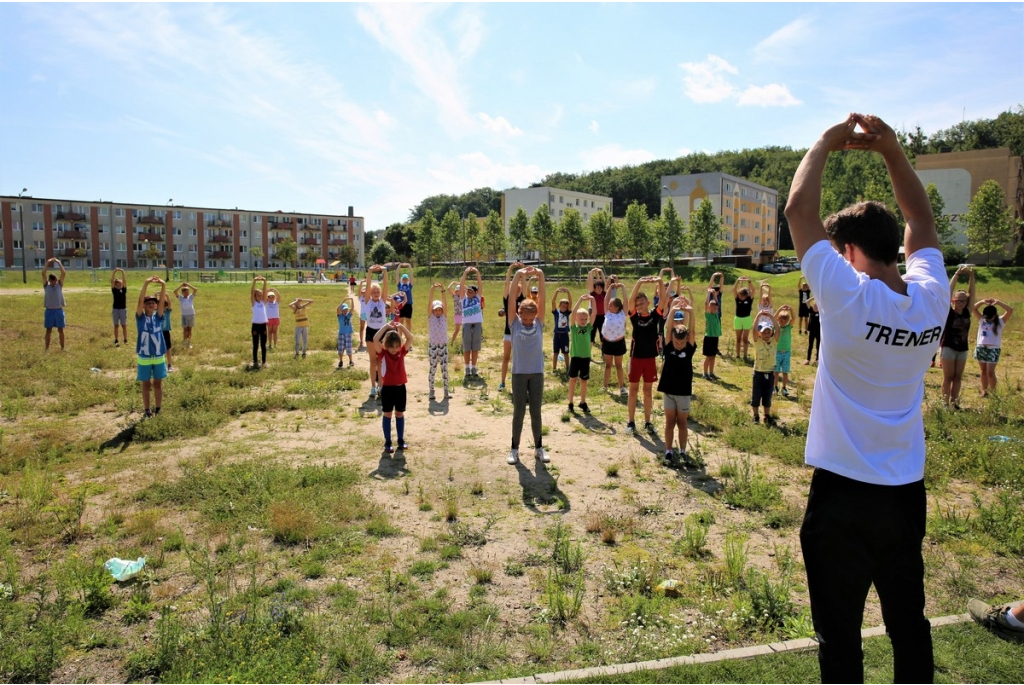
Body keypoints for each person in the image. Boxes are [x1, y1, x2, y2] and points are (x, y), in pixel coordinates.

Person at [786, 113, 948, 684]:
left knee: (841, 638)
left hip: (843, 494)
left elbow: (798, 211)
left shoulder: (847, 299)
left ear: (850, 251)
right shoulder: (931, 300)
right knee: (909, 623)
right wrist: (891, 151)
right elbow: (922, 221)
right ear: (894, 248)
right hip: (905, 491)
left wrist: (829, 138)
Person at [506, 266, 548, 465]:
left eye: (532, 318)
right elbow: (512, 296)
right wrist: (517, 276)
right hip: (519, 374)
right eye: (526, 318)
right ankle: (514, 449)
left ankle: (539, 448)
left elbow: (543, 299)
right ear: (520, 314)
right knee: (519, 412)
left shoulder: (539, 322)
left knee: (536, 412)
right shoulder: (514, 323)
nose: (529, 321)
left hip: (537, 373)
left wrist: (540, 276)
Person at [658, 298, 697, 466]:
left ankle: (682, 451)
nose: (679, 345)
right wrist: (673, 309)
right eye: (676, 342)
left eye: (681, 342)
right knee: (669, 422)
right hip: (669, 391)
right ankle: (668, 451)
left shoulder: (689, 348)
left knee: (682, 423)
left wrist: (690, 311)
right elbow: (668, 328)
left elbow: (693, 330)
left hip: (684, 393)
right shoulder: (668, 347)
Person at [626, 275, 665, 436]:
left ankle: (648, 422)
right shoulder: (635, 317)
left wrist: (660, 282)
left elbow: (663, 299)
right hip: (636, 358)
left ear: (649, 303)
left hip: (650, 359)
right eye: (637, 304)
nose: (639, 306)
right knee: (633, 390)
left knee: (648, 391)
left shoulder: (655, 315)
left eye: (642, 303)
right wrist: (640, 282)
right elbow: (629, 302)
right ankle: (631, 422)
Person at [373, 320, 412, 454]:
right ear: (386, 346)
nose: (395, 349)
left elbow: (410, 338)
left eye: (397, 346)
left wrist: (401, 326)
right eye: (392, 346)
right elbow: (375, 339)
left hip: (400, 388)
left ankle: (400, 440)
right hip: (388, 389)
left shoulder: (402, 352)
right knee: (387, 414)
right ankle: (388, 442)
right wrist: (386, 327)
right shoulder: (383, 353)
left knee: (400, 413)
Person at [939, 266, 976, 407]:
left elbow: (972, 294)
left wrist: (972, 277)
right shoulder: (948, 311)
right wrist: (957, 274)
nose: (961, 303)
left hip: (963, 348)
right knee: (948, 377)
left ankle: (955, 403)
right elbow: (947, 292)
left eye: (963, 301)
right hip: (948, 347)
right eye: (958, 300)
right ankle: (945, 404)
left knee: (958, 377)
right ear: (953, 301)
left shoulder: (967, 312)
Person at [135, 276, 168, 418]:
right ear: (143, 305)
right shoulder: (140, 318)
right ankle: (147, 410)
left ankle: (158, 408)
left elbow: (161, 302)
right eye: (147, 302)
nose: (150, 304)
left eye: (153, 303)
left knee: (158, 384)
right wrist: (146, 283)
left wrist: (163, 285)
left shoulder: (158, 316)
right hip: (144, 357)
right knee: (146, 385)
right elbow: (139, 300)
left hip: (159, 356)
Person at [972, 297, 1013, 398]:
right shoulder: (982, 320)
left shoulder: (1000, 321)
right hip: (981, 347)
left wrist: (998, 302)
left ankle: (994, 393)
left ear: (995, 315)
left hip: (993, 349)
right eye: (987, 316)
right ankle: (984, 391)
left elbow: (1010, 310)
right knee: (983, 371)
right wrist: (982, 302)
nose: (988, 318)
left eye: (990, 317)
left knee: (990, 372)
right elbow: (973, 308)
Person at [566, 294, 595, 414]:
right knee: (573, 380)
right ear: (577, 319)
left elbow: (594, 314)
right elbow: (573, 313)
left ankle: (583, 402)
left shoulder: (588, 327)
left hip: (586, 358)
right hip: (575, 357)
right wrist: (580, 299)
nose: (583, 321)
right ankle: (570, 403)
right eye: (581, 319)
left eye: (585, 319)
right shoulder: (574, 328)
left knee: (584, 381)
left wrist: (592, 300)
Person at [499, 262, 525, 392]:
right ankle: (502, 383)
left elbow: (524, 284)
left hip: (520, 333)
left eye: (519, 290)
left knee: (518, 359)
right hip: (508, 333)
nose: (517, 291)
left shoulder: (523, 300)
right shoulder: (507, 299)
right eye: (515, 289)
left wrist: (523, 270)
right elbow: (506, 284)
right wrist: (510, 269)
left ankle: (518, 384)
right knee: (506, 358)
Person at [363, 265, 389, 398]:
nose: (376, 294)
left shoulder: (383, 301)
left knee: (381, 360)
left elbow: (385, 285)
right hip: (371, 332)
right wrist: (370, 272)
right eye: (374, 292)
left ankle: (381, 386)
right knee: (373, 361)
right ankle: (373, 387)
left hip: (382, 332)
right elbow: (368, 286)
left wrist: (384, 271)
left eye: (377, 292)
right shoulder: (368, 302)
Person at [750, 310, 780, 424]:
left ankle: (767, 415)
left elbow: (778, 329)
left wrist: (771, 317)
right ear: (759, 333)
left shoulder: (774, 342)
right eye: (764, 332)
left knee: (767, 396)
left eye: (769, 332)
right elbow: (753, 329)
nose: (767, 334)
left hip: (770, 373)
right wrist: (758, 316)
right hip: (759, 372)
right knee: (756, 396)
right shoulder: (758, 342)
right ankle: (756, 415)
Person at [602, 276, 628, 396]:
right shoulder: (607, 313)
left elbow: (626, 300)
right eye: (609, 305)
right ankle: (605, 386)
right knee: (607, 366)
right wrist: (610, 287)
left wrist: (622, 287)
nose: (609, 306)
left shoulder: (623, 314)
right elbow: (605, 300)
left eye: (611, 305)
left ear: (617, 307)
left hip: (618, 343)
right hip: (607, 342)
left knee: (618, 366)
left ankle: (622, 387)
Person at [426, 284, 452, 401]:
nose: (437, 311)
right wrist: (431, 289)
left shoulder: (444, 317)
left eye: (439, 309)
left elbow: (445, 304)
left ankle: (446, 391)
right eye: (435, 310)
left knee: (445, 368)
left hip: (443, 346)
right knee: (433, 368)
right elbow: (429, 303)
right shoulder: (430, 317)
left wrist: (442, 291)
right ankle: (431, 391)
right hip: (433, 346)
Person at [459, 266, 485, 379]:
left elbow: (480, 284)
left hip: (477, 325)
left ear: (475, 292)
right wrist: (465, 273)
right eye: (467, 290)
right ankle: (467, 368)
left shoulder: (478, 298)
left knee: (475, 348)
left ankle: (474, 367)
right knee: (466, 348)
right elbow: (461, 285)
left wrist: (477, 272)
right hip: (467, 325)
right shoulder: (463, 299)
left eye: (471, 291)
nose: (468, 292)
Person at [42, 258, 67, 351]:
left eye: (55, 281)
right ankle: (47, 348)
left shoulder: (59, 285)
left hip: (58, 310)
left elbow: (63, 273)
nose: (54, 283)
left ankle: (62, 348)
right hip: (49, 311)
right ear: (49, 280)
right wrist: (48, 262)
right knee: (48, 330)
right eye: (53, 281)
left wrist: (58, 262)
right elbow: (43, 273)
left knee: (61, 330)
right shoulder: (46, 286)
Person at [774, 305, 795, 396]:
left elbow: (794, 318)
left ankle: (784, 388)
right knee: (776, 372)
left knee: (785, 372)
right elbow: (774, 317)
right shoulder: (776, 327)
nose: (782, 322)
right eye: (781, 320)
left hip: (786, 353)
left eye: (784, 321)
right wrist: (780, 308)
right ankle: (775, 387)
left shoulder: (788, 327)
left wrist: (790, 309)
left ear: (787, 321)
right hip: (777, 352)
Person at [702, 288, 722, 381]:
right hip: (709, 338)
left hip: (715, 337)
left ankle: (711, 373)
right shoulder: (708, 315)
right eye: (714, 308)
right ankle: (705, 373)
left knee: (713, 356)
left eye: (717, 308)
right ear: (710, 308)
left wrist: (714, 295)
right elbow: (706, 304)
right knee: (708, 356)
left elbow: (717, 303)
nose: (716, 309)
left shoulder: (716, 314)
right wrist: (708, 293)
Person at [550, 286, 572, 372]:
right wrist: (556, 292)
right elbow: (553, 301)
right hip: (557, 335)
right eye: (562, 306)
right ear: (559, 306)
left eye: (565, 307)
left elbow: (570, 302)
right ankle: (554, 368)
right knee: (555, 352)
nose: (564, 308)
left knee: (566, 353)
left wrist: (568, 292)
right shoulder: (556, 312)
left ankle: (567, 368)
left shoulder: (567, 313)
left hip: (564, 336)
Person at [250, 276, 270, 369]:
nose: (260, 296)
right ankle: (255, 361)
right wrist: (254, 281)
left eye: (261, 295)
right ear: (255, 296)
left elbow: (265, 291)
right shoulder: (254, 303)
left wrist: (264, 281)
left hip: (263, 326)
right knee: (255, 344)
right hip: (255, 326)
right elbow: (251, 291)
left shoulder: (263, 302)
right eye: (258, 295)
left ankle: (264, 361)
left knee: (263, 344)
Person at [733, 276, 754, 360]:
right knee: (738, 339)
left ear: (746, 295)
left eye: (743, 296)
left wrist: (749, 281)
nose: (741, 297)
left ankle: (745, 356)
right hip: (738, 319)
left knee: (745, 339)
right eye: (740, 295)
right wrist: (737, 281)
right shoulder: (737, 299)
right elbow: (734, 290)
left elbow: (754, 290)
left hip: (746, 319)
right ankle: (737, 355)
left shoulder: (749, 299)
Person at [174, 281, 198, 349]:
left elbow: (195, 289)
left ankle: (189, 342)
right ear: (182, 293)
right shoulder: (181, 298)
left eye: (187, 291)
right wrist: (181, 285)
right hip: (184, 316)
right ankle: (185, 342)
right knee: (185, 329)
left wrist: (188, 285)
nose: (186, 292)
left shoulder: (190, 297)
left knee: (189, 329)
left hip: (191, 315)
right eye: (184, 291)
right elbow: (175, 291)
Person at [587, 268, 607, 345]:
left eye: (600, 287)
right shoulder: (593, 294)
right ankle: (588, 354)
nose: (599, 289)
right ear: (594, 289)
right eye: (597, 287)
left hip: (602, 316)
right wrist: (591, 272)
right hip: (594, 316)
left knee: (602, 336)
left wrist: (601, 271)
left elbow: (604, 282)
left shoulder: (604, 294)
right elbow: (591, 282)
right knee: (592, 335)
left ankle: (603, 353)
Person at [111, 268, 128, 346]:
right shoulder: (114, 290)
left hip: (122, 309)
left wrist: (122, 271)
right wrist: (114, 272)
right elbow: (111, 281)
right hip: (115, 309)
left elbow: (124, 280)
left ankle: (125, 339)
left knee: (124, 325)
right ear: (115, 284)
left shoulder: (123, 289)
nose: (118, 284)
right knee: (116, 325)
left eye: (119, 283)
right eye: (116, 283)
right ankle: (116, 339)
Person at [336, 297, 355, 369]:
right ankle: (341, 361)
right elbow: (337, 309)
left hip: (348, 334)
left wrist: (352, 300)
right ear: (341, 310)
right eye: (344, 309)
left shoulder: (348, 315)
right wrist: (343, 300)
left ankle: (351, 361)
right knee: (340, 348)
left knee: (349, 348)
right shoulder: (340, 316)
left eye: (346, 309)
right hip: (341, 334)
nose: (346, 310)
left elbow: (352, 308)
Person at [396, 265, 414, 332]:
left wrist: (409, 266)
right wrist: (399, 266)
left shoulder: (409, 285)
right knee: (400, 321)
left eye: (406, 279)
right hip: (401, 305)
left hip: (408, 304)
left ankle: (408, 335)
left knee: (408, 320)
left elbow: (412, 275)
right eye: (403, 279)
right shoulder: (399, 285)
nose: (405, 280)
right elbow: (397, 274)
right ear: (401, 279)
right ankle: (400, 337)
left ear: (408, 280)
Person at [804, 296, 821, 365]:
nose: (815, 307)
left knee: (818, 346)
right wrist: (814, 297)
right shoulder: (811, 310)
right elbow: (806, 302)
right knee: (810, 345)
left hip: (818, 331)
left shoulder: (820, 313)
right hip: (812, 331)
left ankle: (817, 359)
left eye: (816, 306)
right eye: (814, 306)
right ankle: (808, 359)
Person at [447, 281, 464, 346]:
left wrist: (461, 284)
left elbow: (467, 289)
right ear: (456, 291)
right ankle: (452, 342)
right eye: (458, 291)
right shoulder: (455, 296)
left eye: (460, 290)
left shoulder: (464, 297)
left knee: (465, 330)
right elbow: (448, 288)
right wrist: (453, 283)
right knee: (457, 330)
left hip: (464, 315)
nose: (459, 292)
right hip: (458, 315)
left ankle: (463, 343)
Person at [161, 292, 174, 372]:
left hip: (166, 332)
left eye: (164, 306)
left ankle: (169, 365)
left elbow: (169, 303)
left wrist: (167, 295)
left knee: (168, 349)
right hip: (158, 333)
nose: (163, 307)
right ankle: (161, 365)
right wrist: (156, 295)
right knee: (159, 350)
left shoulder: (168, 312)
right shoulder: (157, 314)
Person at [357, 282, 368, 351]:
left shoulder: (370, 297)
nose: (364, 293)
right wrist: (361, 283)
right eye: (363, 292)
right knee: (362, 327)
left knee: (369, 328)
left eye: (365, 292)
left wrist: (367, 283)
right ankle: (361, 341)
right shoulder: (361, 298)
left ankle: (368, 340)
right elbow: (359, 290)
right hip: (363, 314)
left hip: (369, 314)